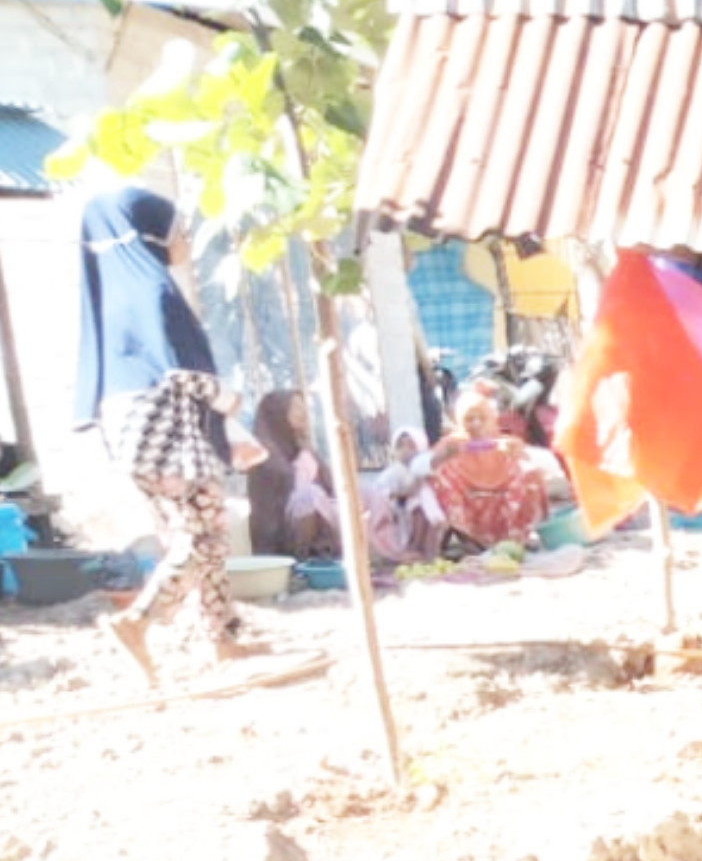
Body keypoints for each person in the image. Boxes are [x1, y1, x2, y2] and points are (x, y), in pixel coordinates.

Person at [72, 186, 269, 680]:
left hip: (129, 435)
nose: (184, 236)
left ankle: (222, 637)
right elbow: (182, 373)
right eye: (177, 225)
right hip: (170, 431)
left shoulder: (108, 294)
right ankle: (139, 620)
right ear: (151, 231)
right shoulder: (153, 289)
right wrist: (231, 405)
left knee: (199, 531)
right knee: (201, 537)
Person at [429, 387, 550, 549]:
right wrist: (444, 456)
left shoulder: (506, 442)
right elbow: (426, 467)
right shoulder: (451, 444)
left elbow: (537, 463)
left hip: (501, 502)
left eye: (482, 418)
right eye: (469, 419)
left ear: (492, 419)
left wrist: (518, 454)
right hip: (468, 502)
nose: (476, 424)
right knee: (441, 475)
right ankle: (468, 540)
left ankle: (516, 538)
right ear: (460, 421)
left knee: (530, 474)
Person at [246, 390, 340, 561]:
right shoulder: (262, 450)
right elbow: (284, 485)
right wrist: (303, 468)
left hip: (312, 514)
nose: (303, 412)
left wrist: (308, 454)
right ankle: (302, 560)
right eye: (296, 408)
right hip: (279, 530)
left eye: (303, 407)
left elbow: (330, 484)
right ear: (279, 413)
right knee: (309, 496)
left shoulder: (299, 444)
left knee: (364, 496)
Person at [362, 427, 447, 564]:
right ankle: (412, 546)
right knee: (416, 505)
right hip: (394, 509)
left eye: (411, 446)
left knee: (422, 505)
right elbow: (382, 495)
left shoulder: (421, 469)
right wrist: (405, 494)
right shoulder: (393, 472)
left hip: (415, 506)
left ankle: (425, 549)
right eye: (400, 446)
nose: (405, 451)